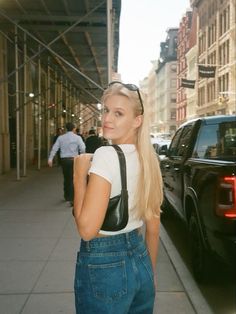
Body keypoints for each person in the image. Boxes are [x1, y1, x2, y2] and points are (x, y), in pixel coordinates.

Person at [73, 81, 163, 313]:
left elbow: (86, 230)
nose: (107, 119)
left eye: (119, 113)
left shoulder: (105, 155)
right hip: (141, 259)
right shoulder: (148, 159)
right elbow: (153, 228)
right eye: (106, 110)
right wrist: (150, 274)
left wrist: (78, 176)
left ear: (137, 121)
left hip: (105, 264)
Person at [48, 122, 85, 205]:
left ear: (66, 129)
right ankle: (72, 198)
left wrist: (50, 159)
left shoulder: (61, 138)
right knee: (73, 178)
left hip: (64, 160)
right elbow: (83, 148)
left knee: (66, 177)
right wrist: (82, 156)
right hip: (74, 160)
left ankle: (67, 195)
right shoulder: (77, 138)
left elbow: (55, 148)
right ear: (74, 128)